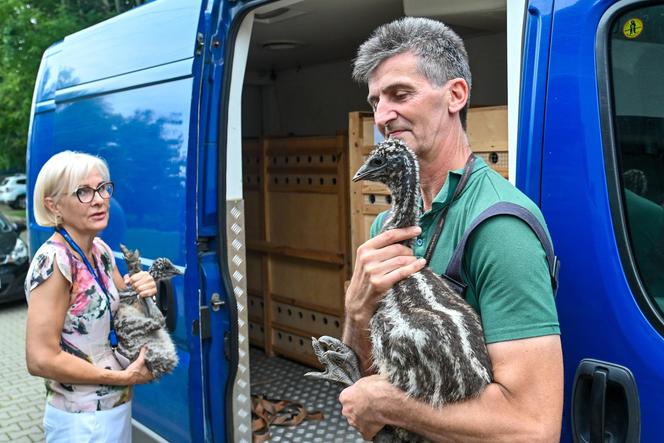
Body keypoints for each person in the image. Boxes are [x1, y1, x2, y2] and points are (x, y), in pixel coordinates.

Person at [340, 17, 563, 442]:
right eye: (375, 101)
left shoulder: (498, 228)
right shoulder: (385, 226)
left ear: (455, 95)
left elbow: (533, 429)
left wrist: (386, 404)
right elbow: (369, 373)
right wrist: (356, 311)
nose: (383, 115)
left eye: (400, 94)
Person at [25, 151, 157, 442]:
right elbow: (40, 359)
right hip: (80, 422)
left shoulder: (100, 251)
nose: (98, 199)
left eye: (102, 188)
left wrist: (144, 288)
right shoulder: (53, 261)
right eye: (83, 192)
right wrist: (121, 377)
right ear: (53, 205)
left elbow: (123, 318)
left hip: (114, 409)